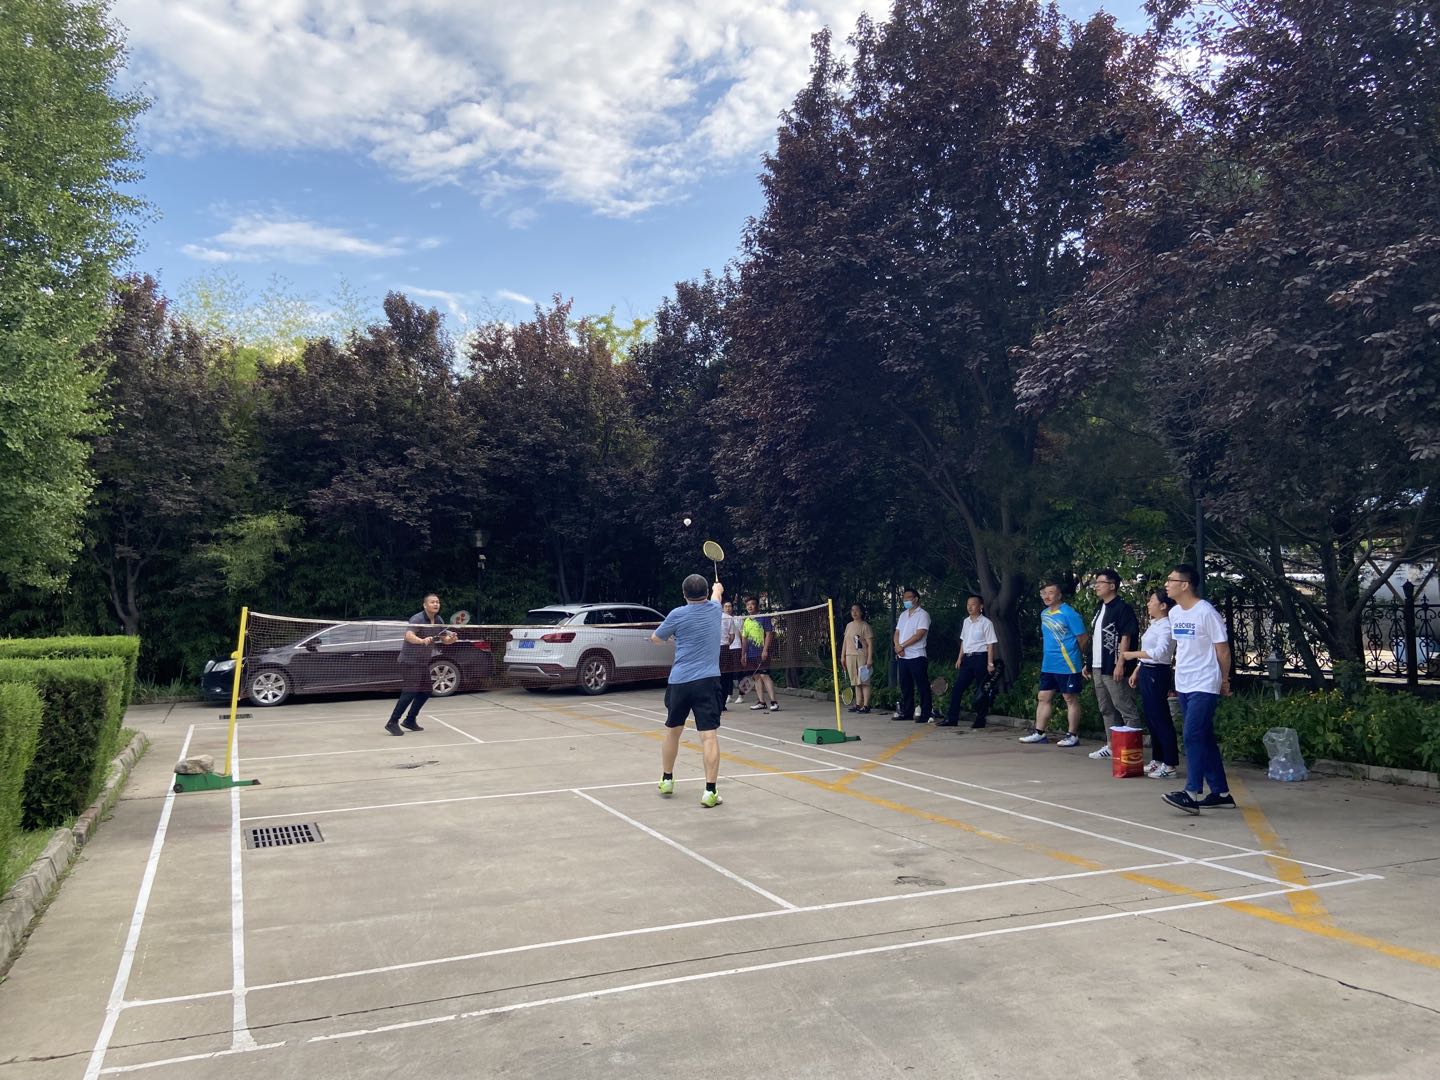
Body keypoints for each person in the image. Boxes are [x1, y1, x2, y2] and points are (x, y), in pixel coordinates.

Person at [1161, 564, 1235, 814]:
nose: (1166, 584)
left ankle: (1191, 792)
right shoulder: (1174, 613)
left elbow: (1222, 651)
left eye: (1171, 580)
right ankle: (1221, 793)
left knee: (1192, 734)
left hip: (1205, 682)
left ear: (1185, 585)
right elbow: (1182, 649)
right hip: (1184, 682)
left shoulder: (1206, 612)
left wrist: (1224, 680)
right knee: (1203, 736)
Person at [652, 573, 727, 807]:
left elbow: (656, 638)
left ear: (684, 594)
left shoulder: (677, 614)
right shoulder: (715, 609)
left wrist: (673, 636)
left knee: (673, 731)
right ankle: (710, 792)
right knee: (709, 736)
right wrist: (717, 588)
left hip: (680, 682)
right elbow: (717, 595)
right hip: (708, 682)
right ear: (705, 592)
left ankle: (667, 779)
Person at [1123, 587, 1181, 779]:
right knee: (1151, 717)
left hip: (1158, 671)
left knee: (1160, 717)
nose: (1148, 604)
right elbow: (1148, 649)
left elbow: (1160, 652)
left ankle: (1170, 764)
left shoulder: (1166, 626)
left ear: (1163, 605)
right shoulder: (1154, 624)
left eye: (1152, 601)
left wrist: (1132, 655)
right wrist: (1138, 669)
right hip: (1147, 670)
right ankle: (1158, 758)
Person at [1020, 582, 1088, 747]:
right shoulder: (1044, 614)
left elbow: (1083, 638)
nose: (1047, 596)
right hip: (1049, 664)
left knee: (1069, 698)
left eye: (1051, 593)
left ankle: (1072, 735)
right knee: (1043, 697)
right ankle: (1039, 733)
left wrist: (1076, 655)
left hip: (1068, 664)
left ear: (1059, 595)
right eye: (1044, 593)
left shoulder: (1069, 613)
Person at [1085, 569, 1141, 759]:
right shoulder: (1099, 607)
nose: (1096, 586)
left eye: (1100, 582)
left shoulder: (1122, 608)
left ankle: (1132, 750)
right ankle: (1112, 746)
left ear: (1112, 585)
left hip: (1113, 664)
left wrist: (1121, 663)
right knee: (1106, 707)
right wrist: (1089, 662)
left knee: (1124, 706)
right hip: (1098, 665)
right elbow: (1095, 637)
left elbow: (1126, 636)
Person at [385, 593, 456, 736]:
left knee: (426, 691)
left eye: (437, 602)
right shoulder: (417, 618)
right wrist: (422, 641)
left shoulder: (438, 620)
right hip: (409, 661)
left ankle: (410, 720)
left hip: (423, 662)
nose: (436, 604)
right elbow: (409, 636)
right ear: (425, 605)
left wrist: (451, 639)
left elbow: (444, 639)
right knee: (410, 691)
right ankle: (392, 722)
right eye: (432, 602)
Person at [939, 594, 997, 728]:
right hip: (967, 658)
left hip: (981, 657)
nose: (970, 607)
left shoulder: (986, 623)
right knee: (958, 688)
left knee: (981, 689)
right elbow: (964, 641)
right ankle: (952, 718)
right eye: (968, 604)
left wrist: (990, 663)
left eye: (973, 604)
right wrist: (959, 658)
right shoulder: (966, 622)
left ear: (980, 606)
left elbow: (990, 644)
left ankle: (980, 719)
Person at [893, 587, 931, 723]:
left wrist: (902, 646)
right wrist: (897, 646)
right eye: (904, 598)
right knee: (905, 686)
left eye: (908, 598)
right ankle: (907, 712)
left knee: (922, 686)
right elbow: (897, 632)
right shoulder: (903, 615)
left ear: (916, 599)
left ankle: (926, 713)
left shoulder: (923, 615)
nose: (905, 600)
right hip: (903, 656)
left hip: (917, 655)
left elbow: (919, 635)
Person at [740, 596, 779, 712]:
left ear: (757, 606)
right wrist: (743, 654)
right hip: (751, 654)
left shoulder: (764, 618)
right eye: (748, 605)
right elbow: (744, 639)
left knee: (764, 675)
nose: (750, 607)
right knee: (756, 676)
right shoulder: (746, 621)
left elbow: (769, 634)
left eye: (752, 604)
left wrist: (765, 650)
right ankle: (761, 702)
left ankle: (774, 702)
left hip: (762, 652)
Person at [841, 603, 875, 714]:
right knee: (856, 682)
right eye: (852, 610)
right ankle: (858, 704)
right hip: (849, 655)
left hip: (861, 655)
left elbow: (870, 644)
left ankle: (866, 705)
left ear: (861, 612)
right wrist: (842, 656)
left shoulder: (865, 626)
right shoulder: (849, 625)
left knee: (864, 681)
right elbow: (845, 642)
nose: (854, 612)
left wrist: (869, 658)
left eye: (857, 610)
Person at [719, 601, 743, 708]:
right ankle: (727, 696)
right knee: (725, 675)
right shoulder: (719, 618)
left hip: (733, 647)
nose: (728, 608)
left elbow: (739, 634)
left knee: (736, 673)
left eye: (730, 606)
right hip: (725, 648)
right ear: (722, 608)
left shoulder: (736, 619)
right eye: (726, 606)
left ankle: (740, 695)